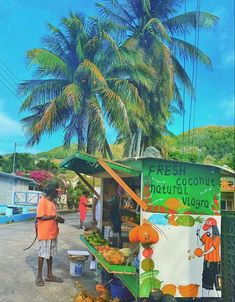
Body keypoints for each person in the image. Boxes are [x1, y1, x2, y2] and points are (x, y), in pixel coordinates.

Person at [35, 180, 65, 287]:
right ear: (52, 191)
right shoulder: (43, 201)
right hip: (45, 233)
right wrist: (54, 217)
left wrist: (58, 219)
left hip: (53, 232)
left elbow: (53, 216)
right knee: (42, 254)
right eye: (56, 192)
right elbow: (40, 216)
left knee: (50, 254)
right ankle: (39, 276)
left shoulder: (52, 202)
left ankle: (49, 275)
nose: (57, 194)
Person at [200, 217, 221, 295]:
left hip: (216, 263)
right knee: (206, 284)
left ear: (213, 228)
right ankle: (205, 298)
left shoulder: (217, 237)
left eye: (208, 229)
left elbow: (212, 248)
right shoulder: (206, 235)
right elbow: (200, 243)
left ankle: (218, 298)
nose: (207, 230)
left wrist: (204, 253)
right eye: (206, 228)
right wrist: (198, 234)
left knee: (218, 284)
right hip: (207, 262)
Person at [90, 193, 101, 270]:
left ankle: (99, 262)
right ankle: (93, 261)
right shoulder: (98, 189)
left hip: (105, 220)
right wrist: (94, 218)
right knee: (95, 241)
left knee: (101, 242)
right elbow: (93, 205)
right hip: (98, 220)